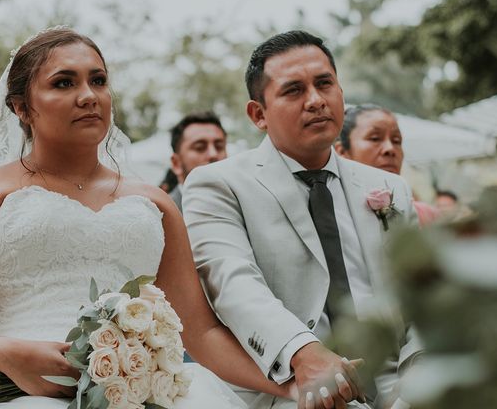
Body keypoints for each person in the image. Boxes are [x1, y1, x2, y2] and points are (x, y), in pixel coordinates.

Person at [0, 27, 294, 408]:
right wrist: (5, 353)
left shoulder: (155, 203)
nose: (88, 96)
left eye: (98, 81)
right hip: (15, 394)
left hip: (140, 395)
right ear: (21, 108)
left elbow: (202, 334)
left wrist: (293, 384)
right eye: (64, 83)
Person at [183, 31, 422, 409]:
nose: (315, 101)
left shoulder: (391, 188)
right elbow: (236, 285)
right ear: (258, 114)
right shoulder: (218, 185)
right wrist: (303, 354)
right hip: (291, 389)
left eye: (324, 83)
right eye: (293, 90)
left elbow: (422, 299)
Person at [334, 104, 438, 226]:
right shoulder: (334, 216)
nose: (390, 149)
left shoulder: (429, 217)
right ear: (341, 152)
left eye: (396, 141)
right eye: (375, 138)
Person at [168, 112, 227, 212]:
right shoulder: (161, 215)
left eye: (219, 146)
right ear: (176, 163)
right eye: (200, 147)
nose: (213, 154)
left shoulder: (240, 205)